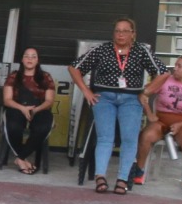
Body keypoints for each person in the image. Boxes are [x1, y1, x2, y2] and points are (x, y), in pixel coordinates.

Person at [69, 18, 167, 194]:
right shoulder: (102, 49)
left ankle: (122, 179)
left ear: (133, 34)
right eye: (117, 31)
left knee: (129, 140)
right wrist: (86, 91)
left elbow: (162, 73)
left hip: (131, 99)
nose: (121, 34)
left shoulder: (141, 51)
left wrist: (146, 92)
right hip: (104, 98)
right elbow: (75, 68)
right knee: (105, 138)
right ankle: (100, 177)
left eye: (125, 31)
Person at [133, 55, 182, 191]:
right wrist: (149, 114)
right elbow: (143, 95)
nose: (175, 68)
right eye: (175, 65)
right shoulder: (164, 81)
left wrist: (181, 125)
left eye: (179, 66)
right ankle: (139, 170)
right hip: (161, 121)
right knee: (147, 135)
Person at [1, 47, 56, 175]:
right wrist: (22, 108)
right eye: (26, 56)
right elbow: (7, 100)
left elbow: (49, 101)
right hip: (17, 107)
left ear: (38, 60)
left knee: (43, 127)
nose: (30, 59)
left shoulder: (45, 77)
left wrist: (36, 110)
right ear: (22, 59)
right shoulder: (14, 76)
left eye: (33, 56)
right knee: (13, 126)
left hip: (39, 109)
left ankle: (20, 158)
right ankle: (23, 160)